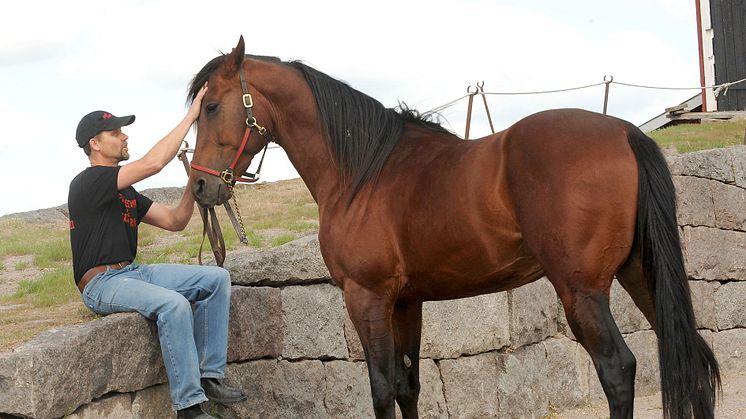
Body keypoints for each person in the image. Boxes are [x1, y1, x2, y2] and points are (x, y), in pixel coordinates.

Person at [68, 83, 245, 419]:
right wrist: (192, 115)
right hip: (101, 284)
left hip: (132, 273)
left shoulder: (127, 192)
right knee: (174, 304)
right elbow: (154, 162)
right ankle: (189, 407)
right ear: (95, 143)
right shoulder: (87, 182)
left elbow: (175, 220)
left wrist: (195, 180)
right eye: (116, 133)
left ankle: (209, 377)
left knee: (216, 279)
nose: (124, 138)